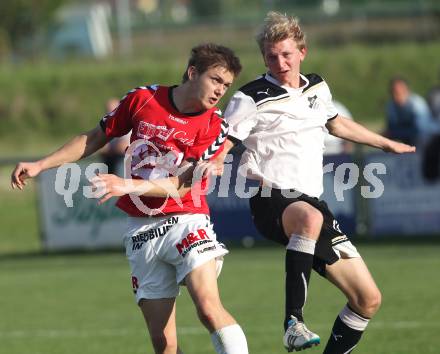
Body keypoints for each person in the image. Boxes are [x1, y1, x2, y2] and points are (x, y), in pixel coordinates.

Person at [11, 43, 249, 354]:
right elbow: (97, 136)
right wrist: (41, 164)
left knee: (207, 308)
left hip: (186, 221)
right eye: (216, 80)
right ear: (193, 73)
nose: (220, 91)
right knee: (164, 345)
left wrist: (127, 185)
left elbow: (181, 186)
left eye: (227, 85)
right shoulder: (143, 99)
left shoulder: (214, 125)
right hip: (141, 231)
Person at [216, 12, 415, 353]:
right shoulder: (249, 97)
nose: (279, 62)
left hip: (312, 204)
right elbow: (222, 143)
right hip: (270, 198)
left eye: (286, 54)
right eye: (271, 56)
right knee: (309, 218)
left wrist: (386, 143)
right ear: (263, 57)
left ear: (302, 52)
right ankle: (293, 322)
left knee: (367, 299)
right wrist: (212, 163)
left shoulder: (317, 87)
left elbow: (338, 125)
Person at [386, 77, 439, 146]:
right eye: (394, 92)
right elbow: (391, 127)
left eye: (400, 92)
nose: (397, 96)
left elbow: (420, 130)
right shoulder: (391, 105)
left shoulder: (416, 104)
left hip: (429, 137)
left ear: (407, 91)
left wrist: (396, 133)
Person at [100, 97, 131, 174]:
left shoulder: (124, 121)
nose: (110, 113)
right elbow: (102, 146)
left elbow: (123, 146)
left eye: (112, 110)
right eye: (108, 111)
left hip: (123, 157)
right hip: (111, 156)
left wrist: (109, 149)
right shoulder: (106, 122)